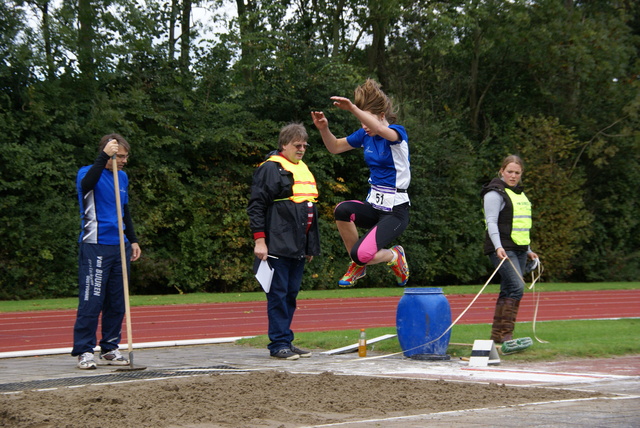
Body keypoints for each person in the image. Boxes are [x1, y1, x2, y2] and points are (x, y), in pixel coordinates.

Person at [311, 78, 410, 287]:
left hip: (395, 212)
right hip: (374, 206)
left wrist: (353, 108)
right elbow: (335, 147)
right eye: (361, 122)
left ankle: (394, 255)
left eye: (367, 121)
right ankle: (358, 264)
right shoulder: (366, 134)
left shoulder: (396, 134)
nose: (364, 127)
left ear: (381, 116)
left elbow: (382, 130)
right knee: (342, 210)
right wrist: (323, 129)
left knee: (360, 253)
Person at [247, 123, 321, 360]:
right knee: (278, 294)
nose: (301, 149)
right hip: (277, 243)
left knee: (290, 294)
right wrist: (260, 241)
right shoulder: (270, 169)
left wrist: (309, 246)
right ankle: (278, 344)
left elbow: (306, 209)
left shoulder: (302, 168)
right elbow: (256, 206)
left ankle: (285, 340)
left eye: (304, 146)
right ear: (284, 145)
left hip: (297, 245)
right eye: (297, 145)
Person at [72, 134, 142, 369]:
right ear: (108, 154)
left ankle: (110, 347)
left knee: (117, 300)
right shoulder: (87, 172)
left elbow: (125, 211)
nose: (124, 161)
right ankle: (84, 350)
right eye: (119, 156)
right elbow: (86, 186)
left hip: (119, 246)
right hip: (95, 245)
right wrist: (103, 157)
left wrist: (132, 240)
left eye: (126, 156)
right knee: (92, 300)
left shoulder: (122, 177)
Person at [481, 155, 539, 344]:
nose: (513, 176)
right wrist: (498, 247)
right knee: (516, 287)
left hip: (520, 249)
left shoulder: (520, 194)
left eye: (517, 173)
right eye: (510, 172)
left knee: (508, 289)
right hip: (502, 248)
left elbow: (520, 224)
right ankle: (506, 334)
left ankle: (498, 336)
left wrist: (529, 249)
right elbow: (491, 222)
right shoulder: (494, 193)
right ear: (502, 171)